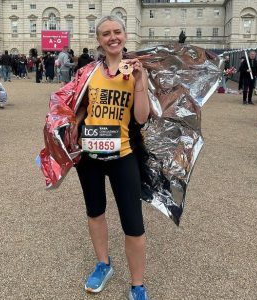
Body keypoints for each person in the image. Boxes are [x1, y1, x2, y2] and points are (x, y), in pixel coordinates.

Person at [71, 15, 150, 300]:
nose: (112, 37)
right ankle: (103, 265)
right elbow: (79, 107)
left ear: (125, 35)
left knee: (133, 222)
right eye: (106, 33)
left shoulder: (136, 70)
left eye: (117, 32)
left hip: (123, 155)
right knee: (95, 212)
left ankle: (137, 284)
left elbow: (141, 117)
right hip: (90, 155)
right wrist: (73, 125)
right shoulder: (88, 71)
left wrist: (140, 80)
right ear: (99, 40)